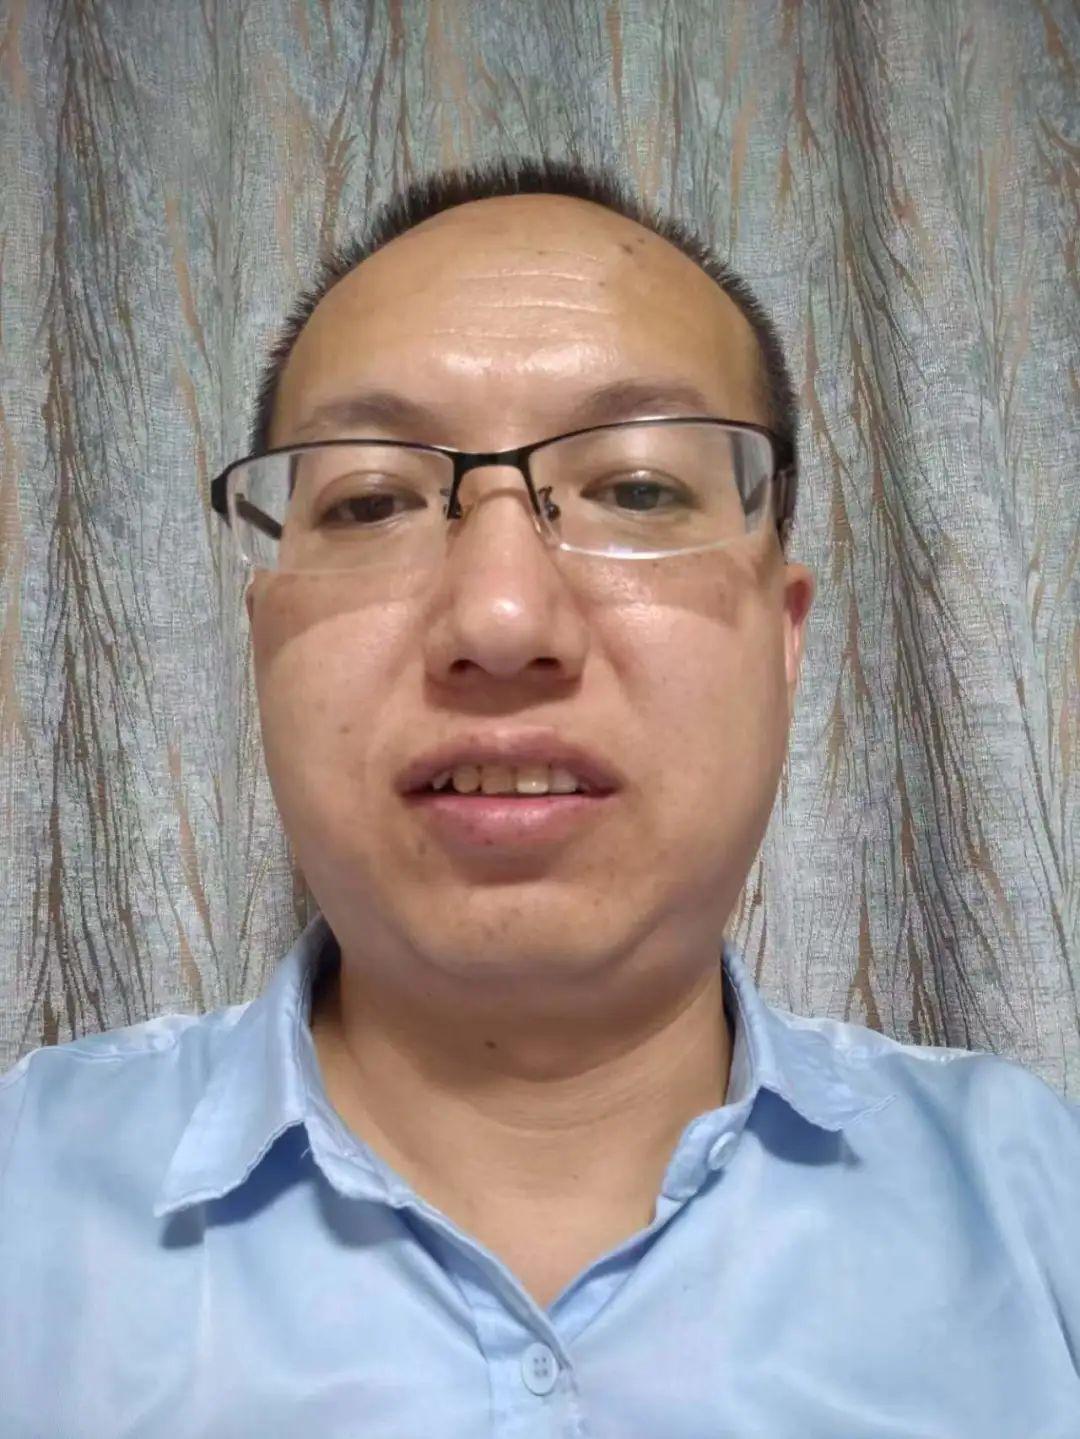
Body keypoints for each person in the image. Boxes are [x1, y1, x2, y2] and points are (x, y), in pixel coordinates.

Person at [1, 155, 1077, 1438]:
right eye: (372, 499)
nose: (503, 617)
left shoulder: (1037, 1206)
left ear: (785, 634)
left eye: (638, 488)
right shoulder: (31, 1199)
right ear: (262, 634)